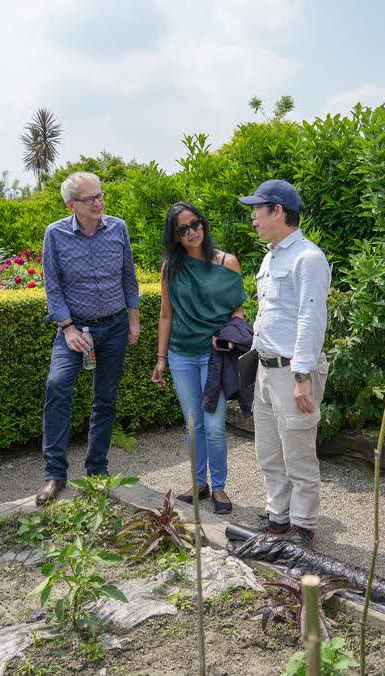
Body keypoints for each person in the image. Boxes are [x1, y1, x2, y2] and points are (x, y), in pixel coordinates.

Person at [37, 172, 141, 506]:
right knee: (57, 385)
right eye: (90, 199)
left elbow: (129, 276)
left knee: (105, 399)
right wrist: (67, 328)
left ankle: (97, 470)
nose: (99, 202)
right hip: (74, 328)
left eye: (100, 196)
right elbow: (52, 286)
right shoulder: (55, 234)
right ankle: (55, 474)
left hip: (114, 326)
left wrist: (133, 318)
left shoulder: (119, 228)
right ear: (71, 204)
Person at [238, 179, 331, 549]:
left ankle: (303, 526)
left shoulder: (308, 258)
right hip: (265, 368)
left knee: (298, 453)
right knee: (269, 450)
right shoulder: (272, 255)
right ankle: (278, 517)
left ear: (278, 211)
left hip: (293, 371)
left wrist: (302, 376)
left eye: (257, 209)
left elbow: (311, 319)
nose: (253, 218)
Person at [150, 201, 248, 514]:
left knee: (215, 424)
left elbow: (238, 308)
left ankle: (218, 487)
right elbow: (166, 315)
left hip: (215, 355)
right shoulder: (171, 268)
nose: (193, 232)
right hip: (181, 355)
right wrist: (161, 359)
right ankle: (199, 483)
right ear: (175, 236)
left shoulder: (227, 262)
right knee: (193, 424)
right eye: (184, 229)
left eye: (197, 224)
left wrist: (234, 332)